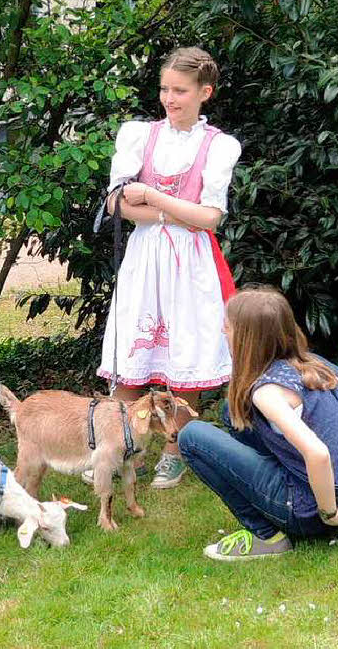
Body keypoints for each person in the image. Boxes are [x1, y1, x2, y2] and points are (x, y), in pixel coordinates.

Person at [97, 46, 242, 488]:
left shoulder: (218, 146)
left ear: (205, 93)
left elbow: (210, 217)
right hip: (145, 255)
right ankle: (124, 444)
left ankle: (176, 448)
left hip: (191, 260)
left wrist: (153, 197)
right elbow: (115, 203)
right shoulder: (139, 136)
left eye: (179, 90)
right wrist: (172, 212)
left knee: (186, 350)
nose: (169, 98)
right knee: (133, 350)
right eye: (164, 89)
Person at [177, 287, 338, 560]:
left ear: (246, 339)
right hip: (331, 493)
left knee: (192, 436)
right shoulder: (313, 365)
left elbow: (318, 453)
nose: (223, 333)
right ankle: (314, 496)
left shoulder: (268, 392)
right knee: (232, 412)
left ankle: (268, 537)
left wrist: (330, 513)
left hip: (306, 511)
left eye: (227, 327)